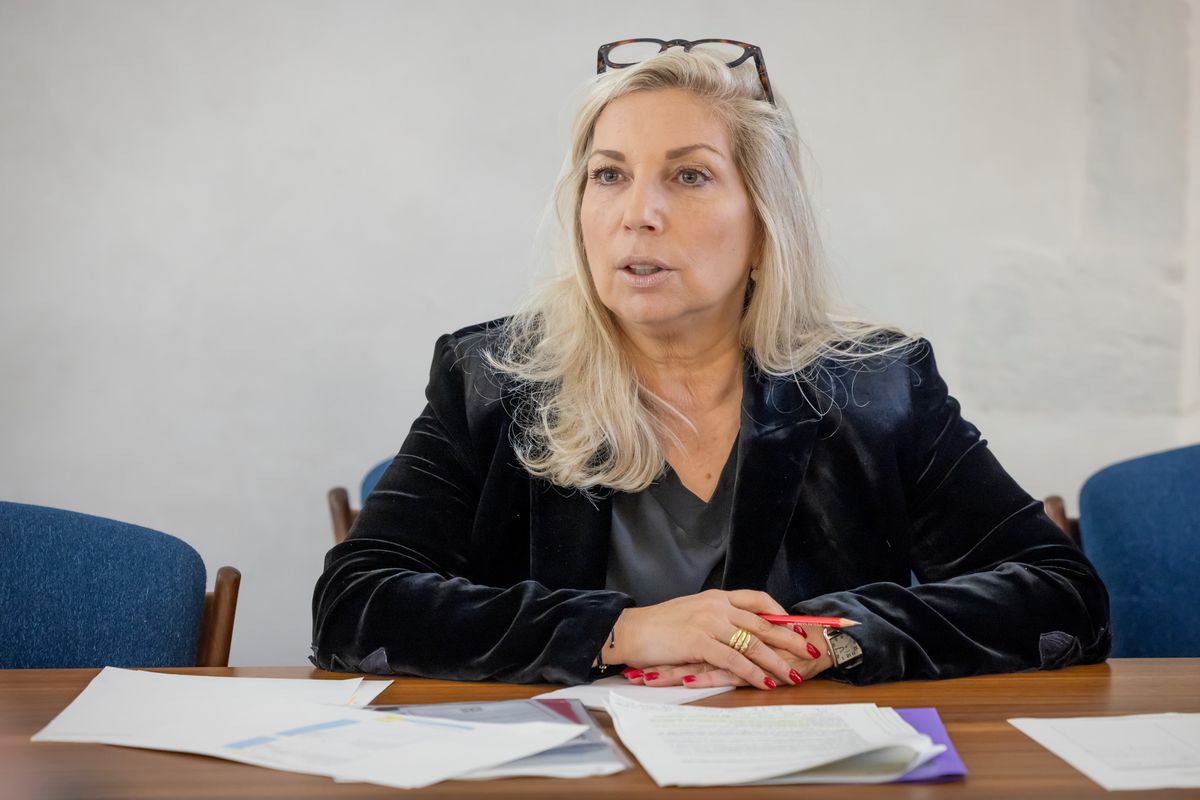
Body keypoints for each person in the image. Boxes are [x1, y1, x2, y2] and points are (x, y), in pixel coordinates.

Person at [311, 40, 1110, 690]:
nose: (638, 214)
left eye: (688, 176)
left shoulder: (877, 386)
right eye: (610, 175)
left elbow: (1062, 595)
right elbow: (354, 606)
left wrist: (831, 637)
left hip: (805, 774)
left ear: (765, 227)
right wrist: (625, 632)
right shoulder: (493, 379)